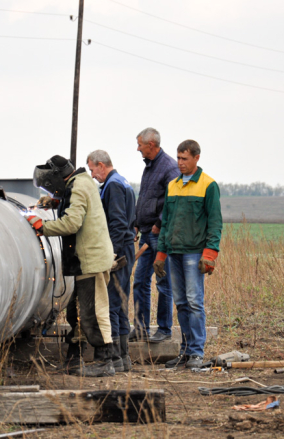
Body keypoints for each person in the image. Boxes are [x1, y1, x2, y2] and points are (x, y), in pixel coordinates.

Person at [27, 155, 116, 377]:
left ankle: (105, 361)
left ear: (57, 177)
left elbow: (73, 222)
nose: (51, 191)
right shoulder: (80, 183)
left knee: (93, 312)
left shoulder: (78, 186)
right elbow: (78, 209)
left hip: (91, 260)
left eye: (50, 188)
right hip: (83, 260)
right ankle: (74, 359)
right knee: (76, 311)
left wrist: (42, 225)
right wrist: (57, 202)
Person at [154, 140, 222, 369]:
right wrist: (160, 254)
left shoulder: (208, 185)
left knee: (194, 302)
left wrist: (210, 254)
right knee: (181, 303)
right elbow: (166, 223)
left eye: (184, 159)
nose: (180, 163)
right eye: (178, 158)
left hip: (194, 254)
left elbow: (215, 223)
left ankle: (196, 353)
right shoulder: (172, 185)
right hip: (173, 253)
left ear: (196, 158)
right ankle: (185, 351)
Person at [86, 150, 136, 373]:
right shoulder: (122, 181)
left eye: (92, 170)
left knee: (112, 303)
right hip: (128, 247)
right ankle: (124, 358)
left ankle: (113, 358)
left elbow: (117, 223)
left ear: (101, 165)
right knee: (121, 303)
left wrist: (112, 255)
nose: (92, 175)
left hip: (119, 249)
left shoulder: (113, 185)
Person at [130, 128, 179, 344]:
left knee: (163, 282)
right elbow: (145, 197)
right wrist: (136, 224)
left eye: (140, 144)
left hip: (159, 235)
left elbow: (173, 199)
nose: (137, 148)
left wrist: (160, 223)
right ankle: (140, 329)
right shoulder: (149, 167)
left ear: (151, 144)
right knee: (140, 281)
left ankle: (165, 329)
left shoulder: (169, 167)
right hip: (146, 234)